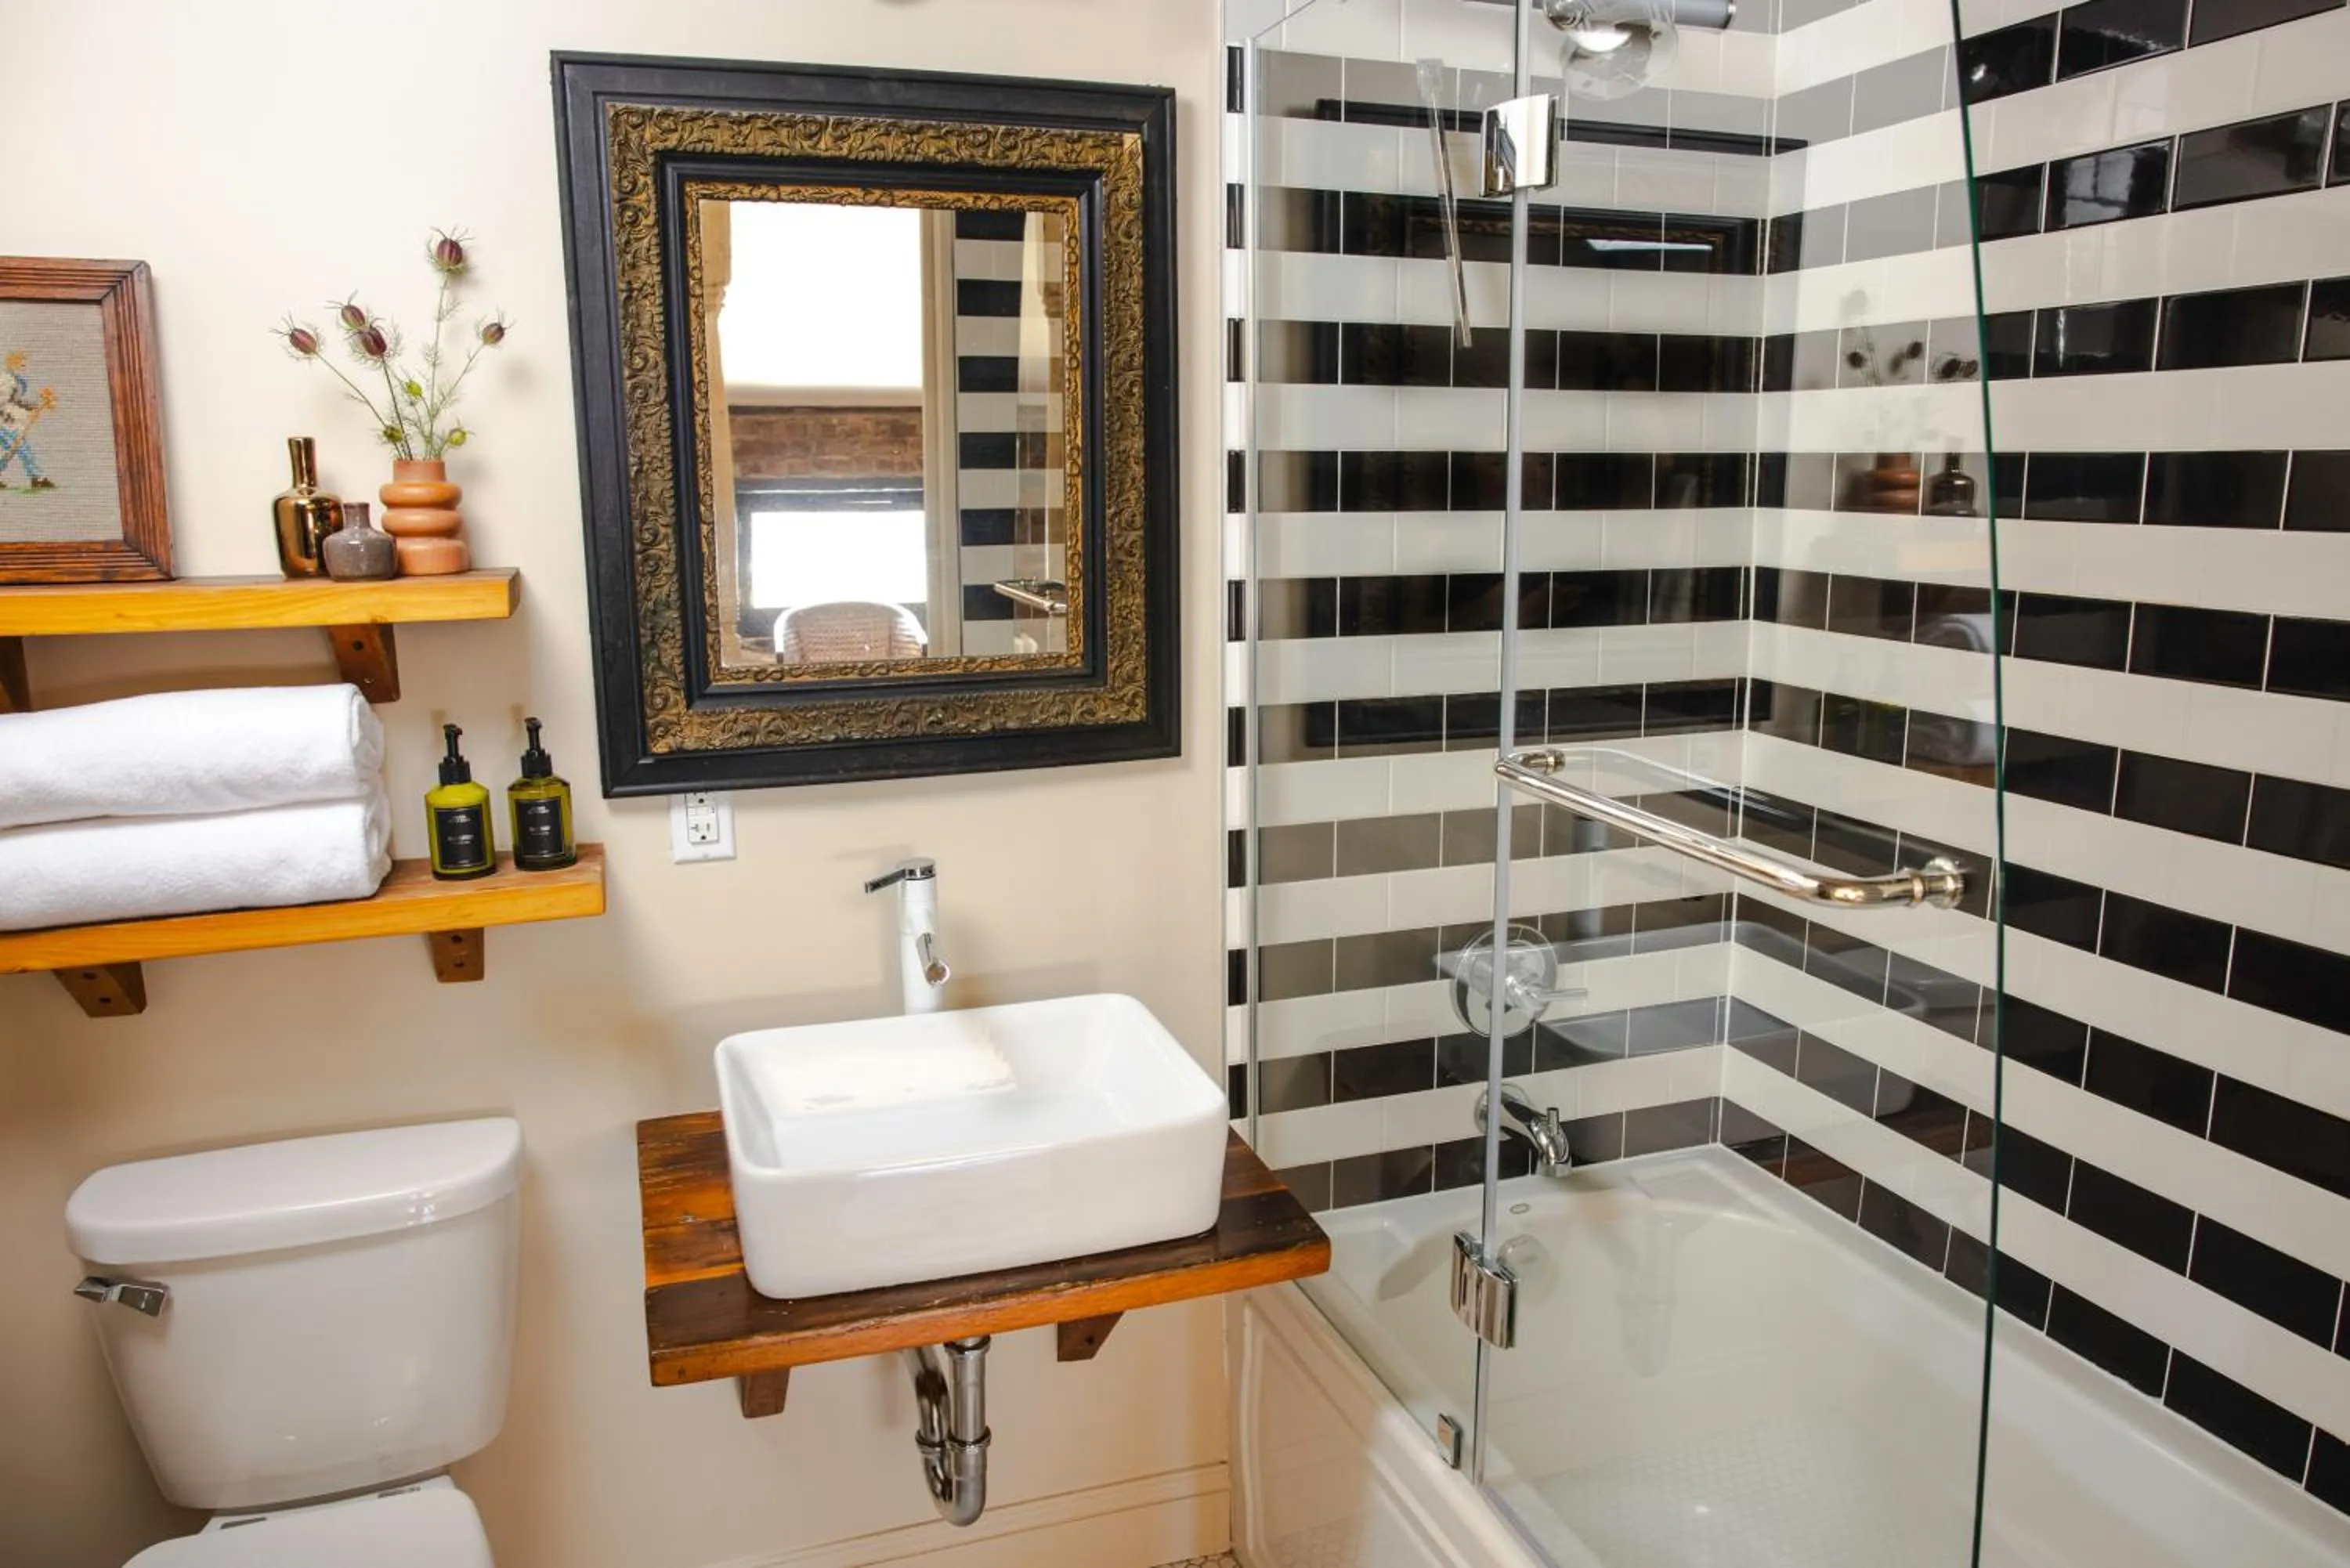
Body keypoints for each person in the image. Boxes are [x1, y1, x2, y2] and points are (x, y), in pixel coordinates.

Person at [0, 349, 57, 490]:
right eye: (22, 364)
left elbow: (17, 400)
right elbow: (3, 402)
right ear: (14, 363)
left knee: (12, 450)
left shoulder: (15, 379)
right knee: (21, 448)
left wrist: (35, 405)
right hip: (5, 421)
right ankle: (37, 478)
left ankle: (37, 477)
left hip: (10, 421)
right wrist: (20, 413)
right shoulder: (5, 380)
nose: (24, 367)